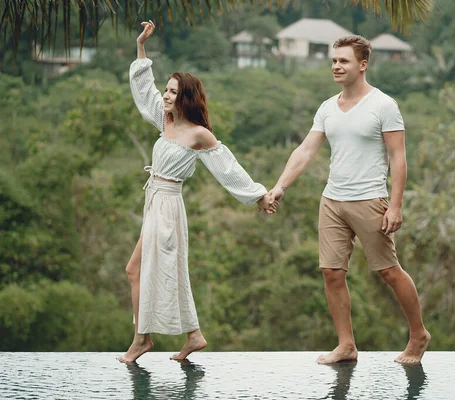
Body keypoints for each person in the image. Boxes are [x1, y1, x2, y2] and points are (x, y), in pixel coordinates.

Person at [118, 20, 276, 363]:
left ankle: (143, 339)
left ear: (185, 97)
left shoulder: (198, 134)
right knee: (141, 270)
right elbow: (144, 91)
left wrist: (257, 196)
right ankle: (189, 335)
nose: (166, 94)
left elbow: (226, 167)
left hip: (169, 205)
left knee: (146, 270)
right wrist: (141, 47)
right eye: (167, 89)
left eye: (173, 91)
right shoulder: (165, 120)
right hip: (154, 200)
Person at [267, 35, 430, 365]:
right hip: (332, 201)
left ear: (363, 65)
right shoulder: (327, 107)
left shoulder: (383, 105)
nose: (336, 66)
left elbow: (398, 157)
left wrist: (395, 206)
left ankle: (418, 335)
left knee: (388, 271)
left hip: (370, 199)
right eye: (333, 61)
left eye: (343, 61)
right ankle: (346, 345)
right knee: (331, 272)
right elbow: (306, 150)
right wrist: (281, 185)